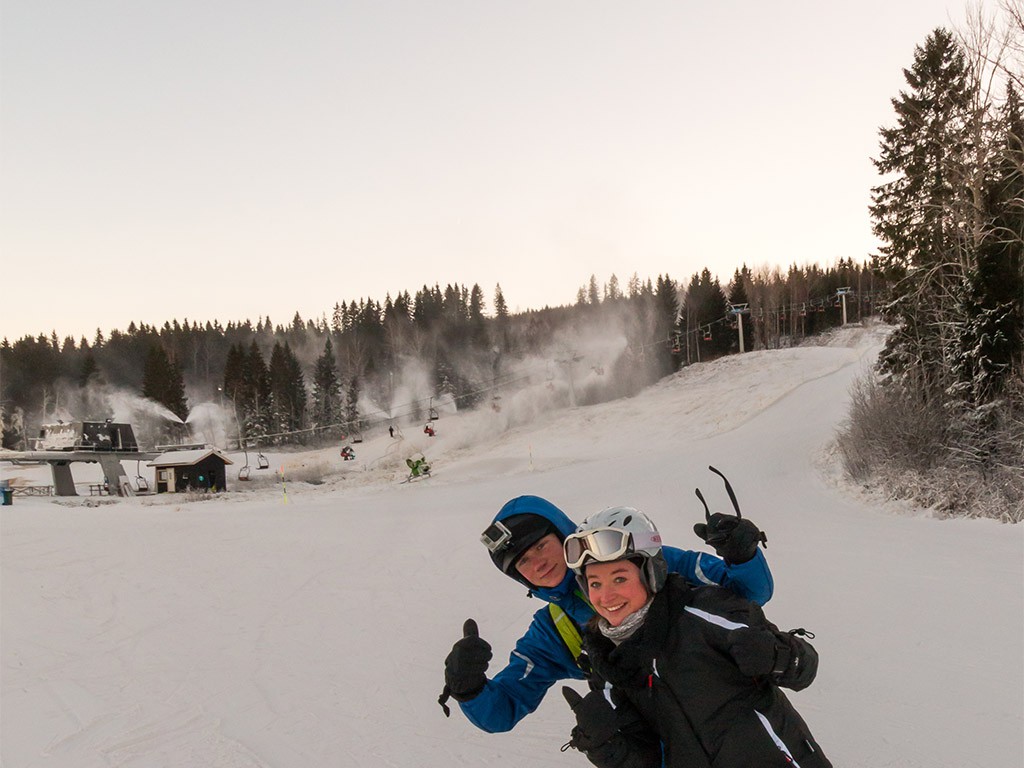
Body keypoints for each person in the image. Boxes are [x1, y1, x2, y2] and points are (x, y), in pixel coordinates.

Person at [439, 492, 773, 732]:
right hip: (666, 744)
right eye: (523, 562)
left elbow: (749, 594)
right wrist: (469, 689)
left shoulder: (642, 559)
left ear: (563, 534)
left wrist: (741, 555)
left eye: (541, 546)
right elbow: (502, 710)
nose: (537, 564)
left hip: (739, 719)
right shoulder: (553, 632)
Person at [560, 507, 830, 768]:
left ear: (650, 573)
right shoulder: (608, 664)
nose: (606, 597)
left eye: (619, 579)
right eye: (595, 583)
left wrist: (777, 656)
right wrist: (605, 747)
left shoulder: (704, 613)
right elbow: (648, 759)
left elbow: (804, 668)